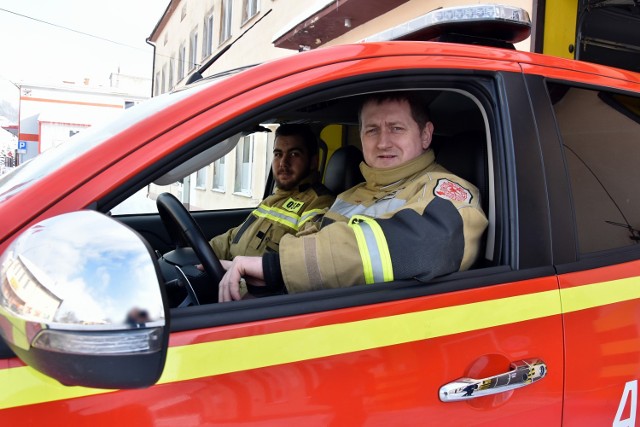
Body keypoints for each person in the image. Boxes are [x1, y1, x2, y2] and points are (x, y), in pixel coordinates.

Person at [218, 92, 489, 302]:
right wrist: (261, 281)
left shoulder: (448, 191)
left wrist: (275, 268)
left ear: (425, 134)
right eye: (372, 130)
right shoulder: (351, 194)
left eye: (396, 128)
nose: (383, 142)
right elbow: (312, 245)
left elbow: (427, 246)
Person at [209, 123, 335, 260]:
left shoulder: (319, 203)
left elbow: (300, 264)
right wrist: (201, 253)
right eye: (278, 154)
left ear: (313, 161)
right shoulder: (274, 198)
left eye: (294, 154)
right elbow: (233, 238)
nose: (283, 163)